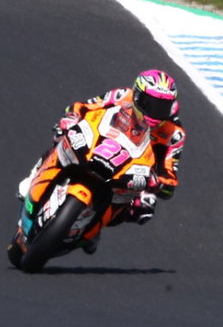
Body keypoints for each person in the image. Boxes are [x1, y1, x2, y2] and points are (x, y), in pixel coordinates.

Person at [18, 69, 185, 253]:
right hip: (102, 144)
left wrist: (159, 183)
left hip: (133, 171)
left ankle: (95, 226)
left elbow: (170, 175)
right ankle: (36, 175)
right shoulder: (122, 96)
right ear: (137, 96)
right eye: (150, 104)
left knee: (143, 207)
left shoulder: (174, 134)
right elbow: (84, 106)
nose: (154, 112)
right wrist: (71, 118)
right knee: (61, 137)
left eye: (161, 107)